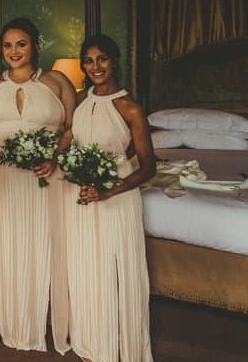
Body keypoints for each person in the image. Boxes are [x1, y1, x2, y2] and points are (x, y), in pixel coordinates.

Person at [57, 34, 155, 362]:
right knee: (86, 269)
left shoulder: (131, 108)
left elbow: (149, 167)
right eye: (88, 60)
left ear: (114, 62)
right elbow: (71, 136)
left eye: (102, 59)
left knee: (116, 273)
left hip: (117, 198)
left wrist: (109, 191)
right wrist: (52, 158)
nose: (95, 66)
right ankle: (91, 342)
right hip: (83, 197)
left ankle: (119, 348)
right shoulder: (82, 101)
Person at [0, 17, 75, 353]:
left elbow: (72, 129)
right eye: (7, 45)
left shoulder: (57, 80)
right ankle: (8, 318)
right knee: (4, 247)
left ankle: (44, 316)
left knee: (44, 245)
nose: (14, 51)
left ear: (36, 45)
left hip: (44, 178)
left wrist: (54, 159)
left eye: (21, 44)